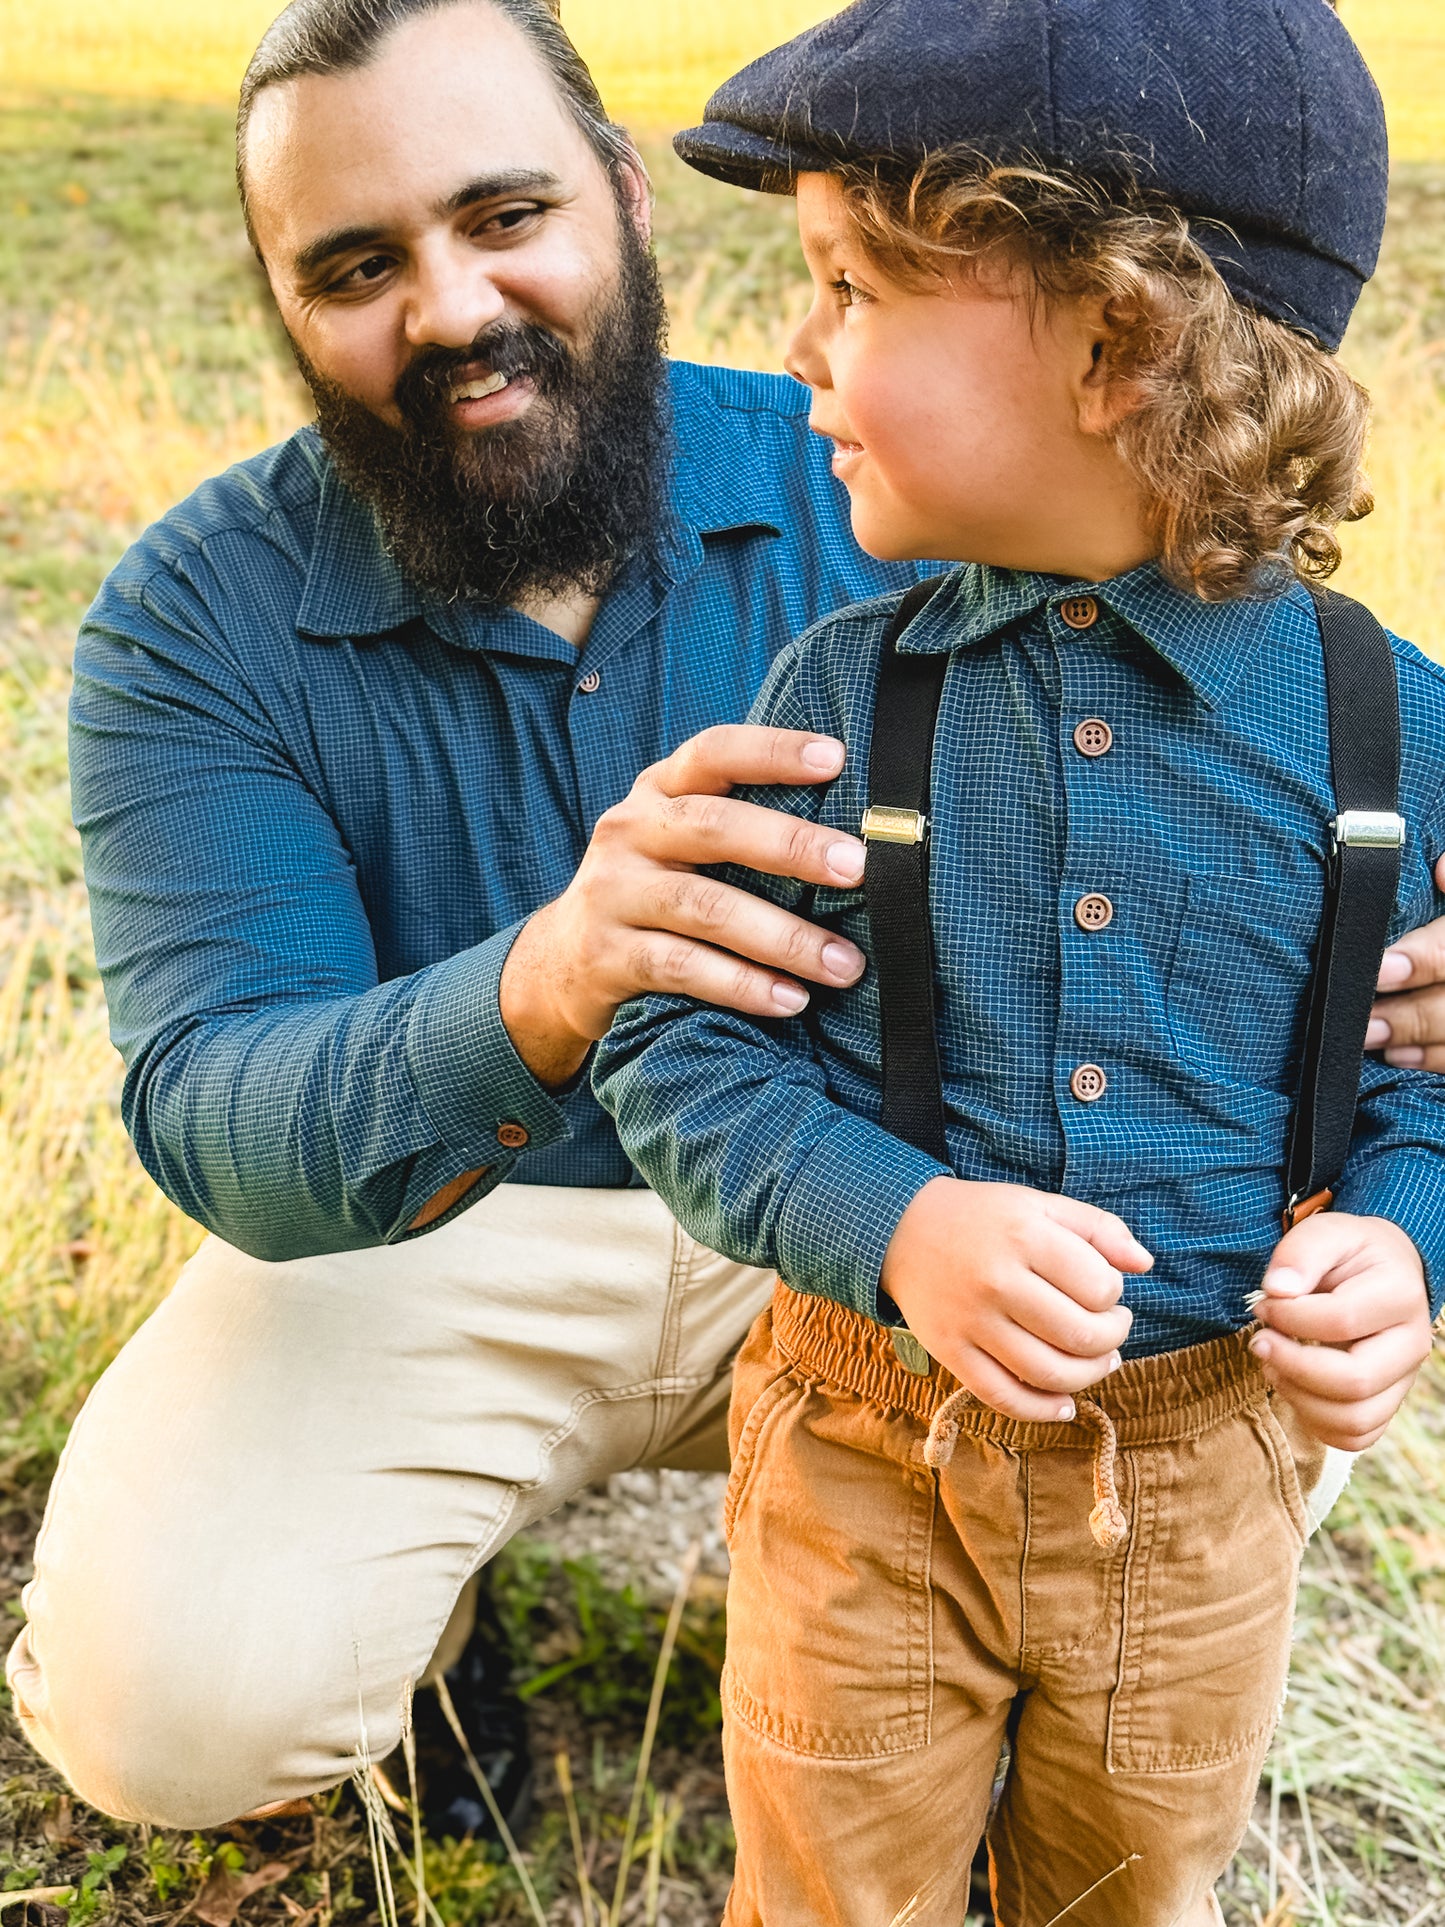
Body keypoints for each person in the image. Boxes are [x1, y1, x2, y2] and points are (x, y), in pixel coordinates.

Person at [8, 0, 1445, 1849]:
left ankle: (1009, 1671)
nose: (447, 310)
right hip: (474, 1213)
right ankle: (443, 1619)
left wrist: (1385, 995)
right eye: (355, 265)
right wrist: (547, 977)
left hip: (953, 1200)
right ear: (281, 299)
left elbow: (1300, 771)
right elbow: (214, 1112)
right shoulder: (194, 618)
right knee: (172, 1709)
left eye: (504, 214)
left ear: (622, 198)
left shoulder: (901, 462)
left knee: (1207, 1353)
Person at [594, 3, 1445, 1922]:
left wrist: (1401, 1241)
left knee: (1128, 1887)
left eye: (847, 286)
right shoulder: (837, 698)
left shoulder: (1387, 734)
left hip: (1202, 1482)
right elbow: (684, 1047)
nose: (797, 348)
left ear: (1110, 339)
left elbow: (1423, 1078)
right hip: (865, 1463)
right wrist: (889, 1217)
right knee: (832, 1883)